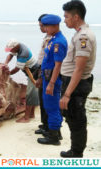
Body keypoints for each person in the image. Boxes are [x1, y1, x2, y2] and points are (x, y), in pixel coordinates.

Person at [60, 0, 96, 157]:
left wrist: (67, 94)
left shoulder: (83, 36)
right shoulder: (79, 33)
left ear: (76, 17)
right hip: (73, 82)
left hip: (77, 84)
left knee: (77, 119)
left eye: (66, 16)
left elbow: (79, 69)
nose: (64, 20)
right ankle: (75, 149)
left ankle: (77, 153)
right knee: (72, 117)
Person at [36, 14, 67, 145]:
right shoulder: (53, 39)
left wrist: (51, 84)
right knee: (50, 106)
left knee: (52, 107)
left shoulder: (58, 42)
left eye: (47, 26)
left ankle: (53, 138)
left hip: (52, 80)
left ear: (55, 26)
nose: (45, 29)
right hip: (47, 78)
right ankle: (54, 132)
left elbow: (58, 65)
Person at [4, 39, 40, 123]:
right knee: (33, 92)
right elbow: (10, 55)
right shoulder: (18, 47)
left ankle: (26, 118)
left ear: (15, 47)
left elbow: (17, 69)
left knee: (30, 94)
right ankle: (31, 114)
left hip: (34, 72)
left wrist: (7, 73)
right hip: (30, 71)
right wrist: (5, 63)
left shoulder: (23, 54)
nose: (10, 51)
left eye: (11, 49)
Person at [34, 14, 52, 135]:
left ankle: (50, 127)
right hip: (42, 70)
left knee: (48, 102)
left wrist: (41, 77)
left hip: (46, 73)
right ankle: (45, 124)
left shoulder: (52, 39)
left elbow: (49, 61)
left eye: (42, 25)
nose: (40, 28)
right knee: (43, 100)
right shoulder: (47, 37)